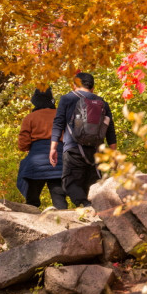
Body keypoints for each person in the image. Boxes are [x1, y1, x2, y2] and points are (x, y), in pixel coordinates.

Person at [50, 72, 116, 207]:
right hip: (96, 151)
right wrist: (113, 154)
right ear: (93, 88)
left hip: (73, 148)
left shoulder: (67, 99)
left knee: (70, 182)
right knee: (92, 184)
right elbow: (110, 130)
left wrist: (53, 148)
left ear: (75, 85)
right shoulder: (102, 102)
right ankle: (95, 209)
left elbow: (58, 123)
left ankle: (85, 206)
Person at [16, 88, 68, 210]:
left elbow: (22, 144)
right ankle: (65, 220)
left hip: (36, 163)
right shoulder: (62, 115)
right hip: (59, 161)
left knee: (31, 202)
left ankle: (30, 219)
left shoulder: (30, 118)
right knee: (59, 200)